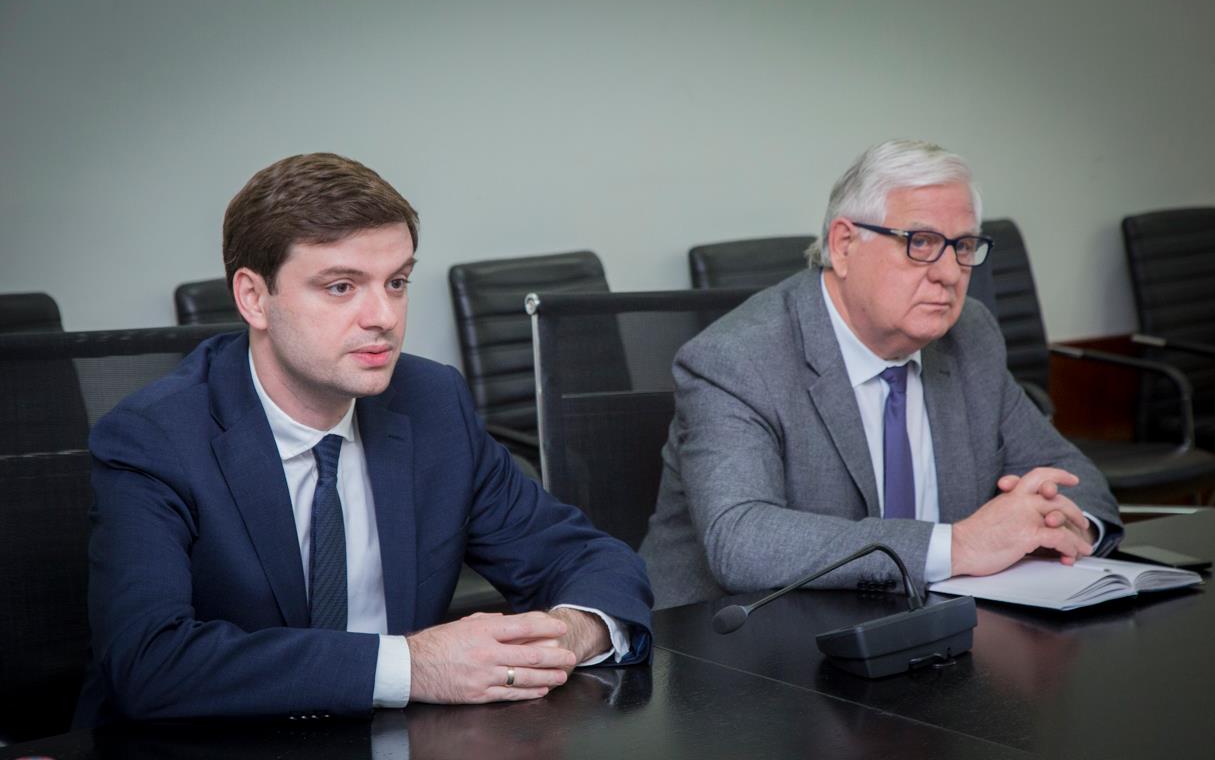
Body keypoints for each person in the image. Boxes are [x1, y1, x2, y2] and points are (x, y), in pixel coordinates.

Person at [74, 153, 652, 727]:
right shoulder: (155, 437)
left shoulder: (432, 404)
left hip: (396, 737)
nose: (383, 317)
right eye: (341, 286)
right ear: (253, 298)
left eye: (397, 282)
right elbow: (149, 660)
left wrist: (562, 637)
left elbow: (585, 558)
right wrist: (413, 666)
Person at [639, 139, 1122, 609]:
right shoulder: (738, 358)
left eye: (963, 246)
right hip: (735, 639)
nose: (950, 273)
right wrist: (959, 546)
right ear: (844, 244)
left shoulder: (969, 335)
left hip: (925, 631)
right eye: (921, 242)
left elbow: (1073, 476)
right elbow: (742, 540)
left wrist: (1056, 523)